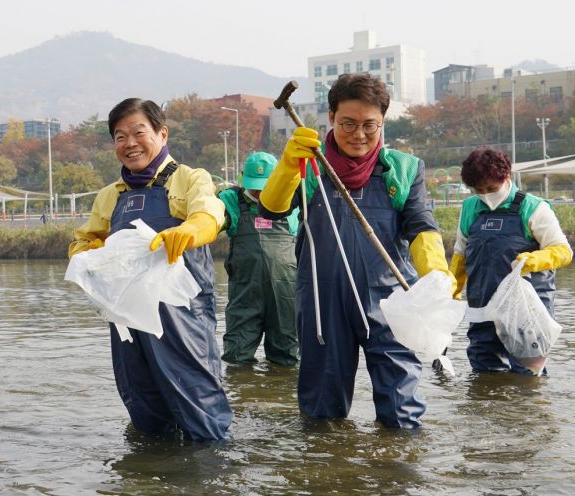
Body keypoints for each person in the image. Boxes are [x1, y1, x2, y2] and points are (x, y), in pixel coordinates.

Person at [259, 73, 454, 429]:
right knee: (322, 409)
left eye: (370, 125)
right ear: (331, 117)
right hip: (322, 301)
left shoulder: (404, 169)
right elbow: (271, 210)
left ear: (383, 122)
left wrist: (436, 275)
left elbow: (421, 226)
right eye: (348, 123)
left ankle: (395, 474)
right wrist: (288, 164)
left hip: (391, 301)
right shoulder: (308, 162)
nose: (359, 135)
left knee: (401, 408)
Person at [68, 98, 232, 441]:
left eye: (138, 132)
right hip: (127, 319)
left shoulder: (189, 179)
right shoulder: (110, 195)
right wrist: (85, 256)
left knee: (198, 404)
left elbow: (210, 213)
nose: (129, 144)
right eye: (119, 136)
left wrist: (191, 229)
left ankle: (211, 475)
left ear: (161, 133)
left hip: (182, 317)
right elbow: (87, 238)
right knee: (142, 405)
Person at [450, 147, 572, 374]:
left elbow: (563, 251)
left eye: (491, 188)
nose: (486, 194)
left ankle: (527, 410)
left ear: (505, 177)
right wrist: (452, 288)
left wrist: (535, 259)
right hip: (482, 306)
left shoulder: (534, 207)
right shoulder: (469, 208)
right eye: (479, 190)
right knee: (484, 372)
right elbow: (461, 253)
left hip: (526, 310)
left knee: (528, 375)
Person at [218, 151, 300, 366]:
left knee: (287, 360)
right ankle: (242, 397)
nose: (258, 190)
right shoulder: (229, 200)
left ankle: (279, 398)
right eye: (254, 184)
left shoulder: (294, 202)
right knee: (236, 358)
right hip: (245, 295)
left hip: (285, 297)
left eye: (265, 185)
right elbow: (208, 218)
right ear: (243, 176)